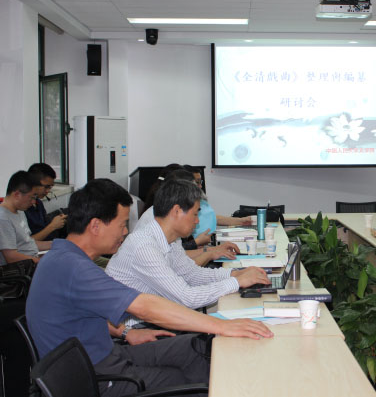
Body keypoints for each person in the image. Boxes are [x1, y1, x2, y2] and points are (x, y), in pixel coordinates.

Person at [26, 178, 273, 396]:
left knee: (195, 348)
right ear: (96, 226)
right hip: (97, 375)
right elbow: (146, 307)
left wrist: (124, 333)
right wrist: (222, 325)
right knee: (190, 380)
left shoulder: (64, 259)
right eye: (122, 224)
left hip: (108, 353)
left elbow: (79, 315)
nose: (125, 232)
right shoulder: (73, 268)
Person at [106, 178, 270, 328]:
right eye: (195, 213)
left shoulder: (171, 239)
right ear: (177, 211)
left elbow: (191, 274)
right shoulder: (144, 247)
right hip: (135, 329)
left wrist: (234, 274)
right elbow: (186, 298)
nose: (197, 221)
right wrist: (237, 282)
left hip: (156, 321)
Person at [135, 169, 240, 266]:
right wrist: (209, 253)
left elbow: (184, 265)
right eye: (195, 214)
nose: (197, 221)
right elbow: (180, 274)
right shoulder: (147, 242)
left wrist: (211, 251)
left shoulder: (171, 227)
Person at [0, 171, 51, 264]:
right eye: (32, 197)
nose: (33, 202)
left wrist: (56, 244)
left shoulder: (20, 211)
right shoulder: (3, 218)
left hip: (32, 259)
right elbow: (11, 257)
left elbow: (27, 243)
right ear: (17, 195)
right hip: (20, 269)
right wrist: (41, 262)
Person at [25, 163, 67, 241]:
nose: (48, 191)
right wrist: (52, 226)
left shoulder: (39, 203)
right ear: (33, 183)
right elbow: (26, 243)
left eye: (50, 187)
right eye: (46, 187)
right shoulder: (22, 208)